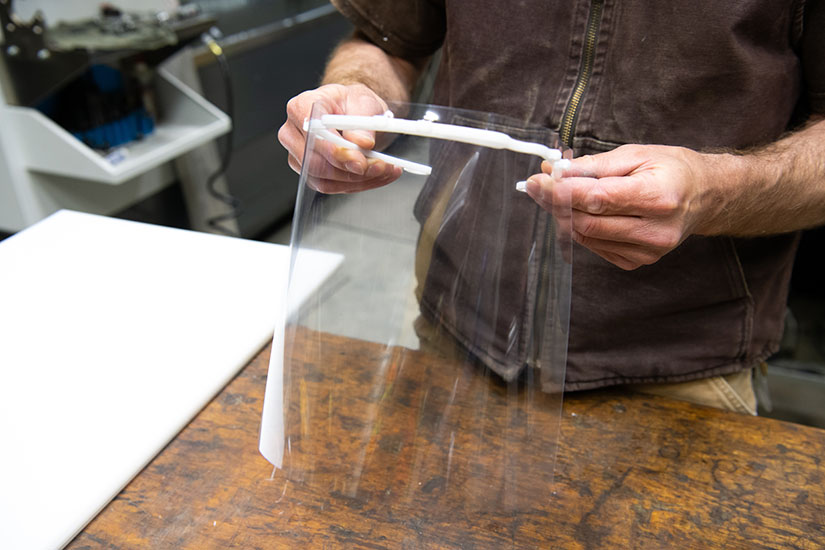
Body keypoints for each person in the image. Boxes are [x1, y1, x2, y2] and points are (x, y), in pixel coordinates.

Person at [278, 0, 825, 414]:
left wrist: (712, 190)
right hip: (452, 321)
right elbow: (388, 38)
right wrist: (353, 92)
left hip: (678, 365)